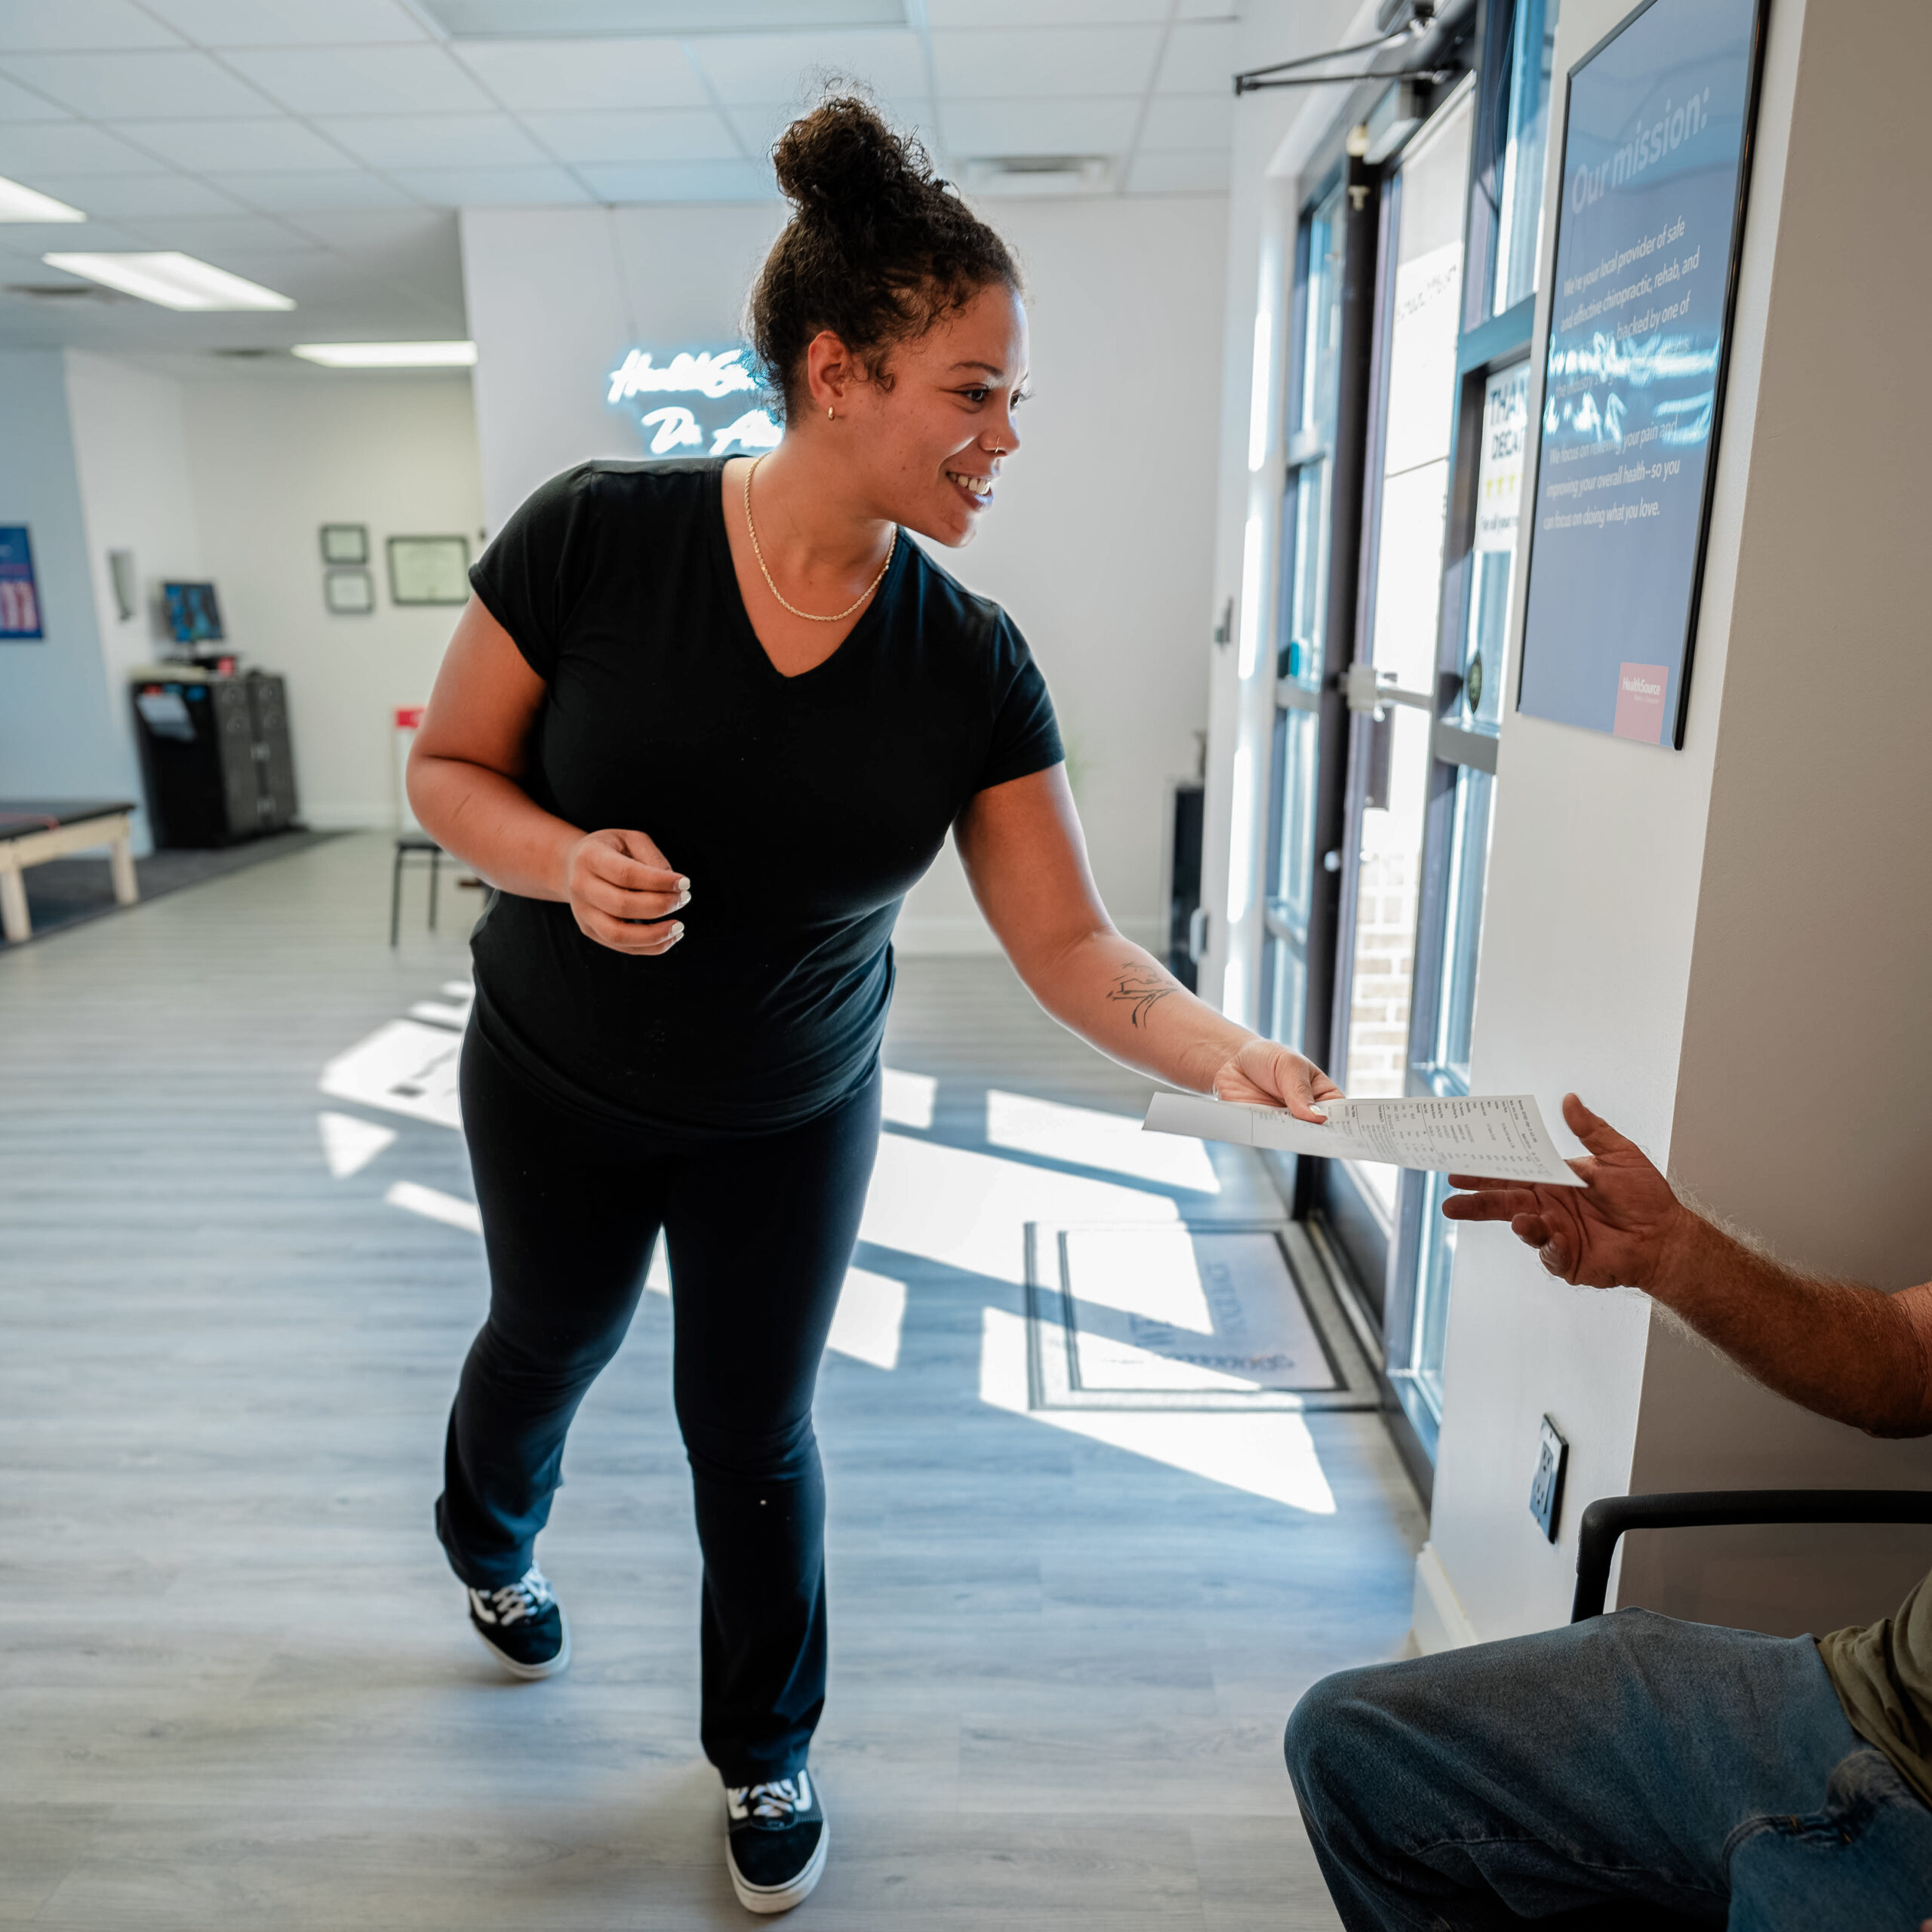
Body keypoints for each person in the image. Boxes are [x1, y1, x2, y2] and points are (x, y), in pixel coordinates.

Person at [408, 96, 1340, 1916]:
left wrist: (1222, 1048)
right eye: (971, 390)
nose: (1003, 437)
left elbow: (1073, 949)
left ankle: (764, 1745)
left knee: (750, 1430)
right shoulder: (596, 536)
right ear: (835, 372)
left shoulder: (965, 660)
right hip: (555, 1073)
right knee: (550, 1336)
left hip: (788, 1103)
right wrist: (555, 859)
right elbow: (450, 767)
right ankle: (486, 1533)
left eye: (1013, 399)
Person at [1285, 1093, 1932, 1930]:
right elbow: (1907, 1360)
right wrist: (1672, 1253)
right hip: (1859, 1693)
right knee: (1353, 1746)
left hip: (1905, 1851)